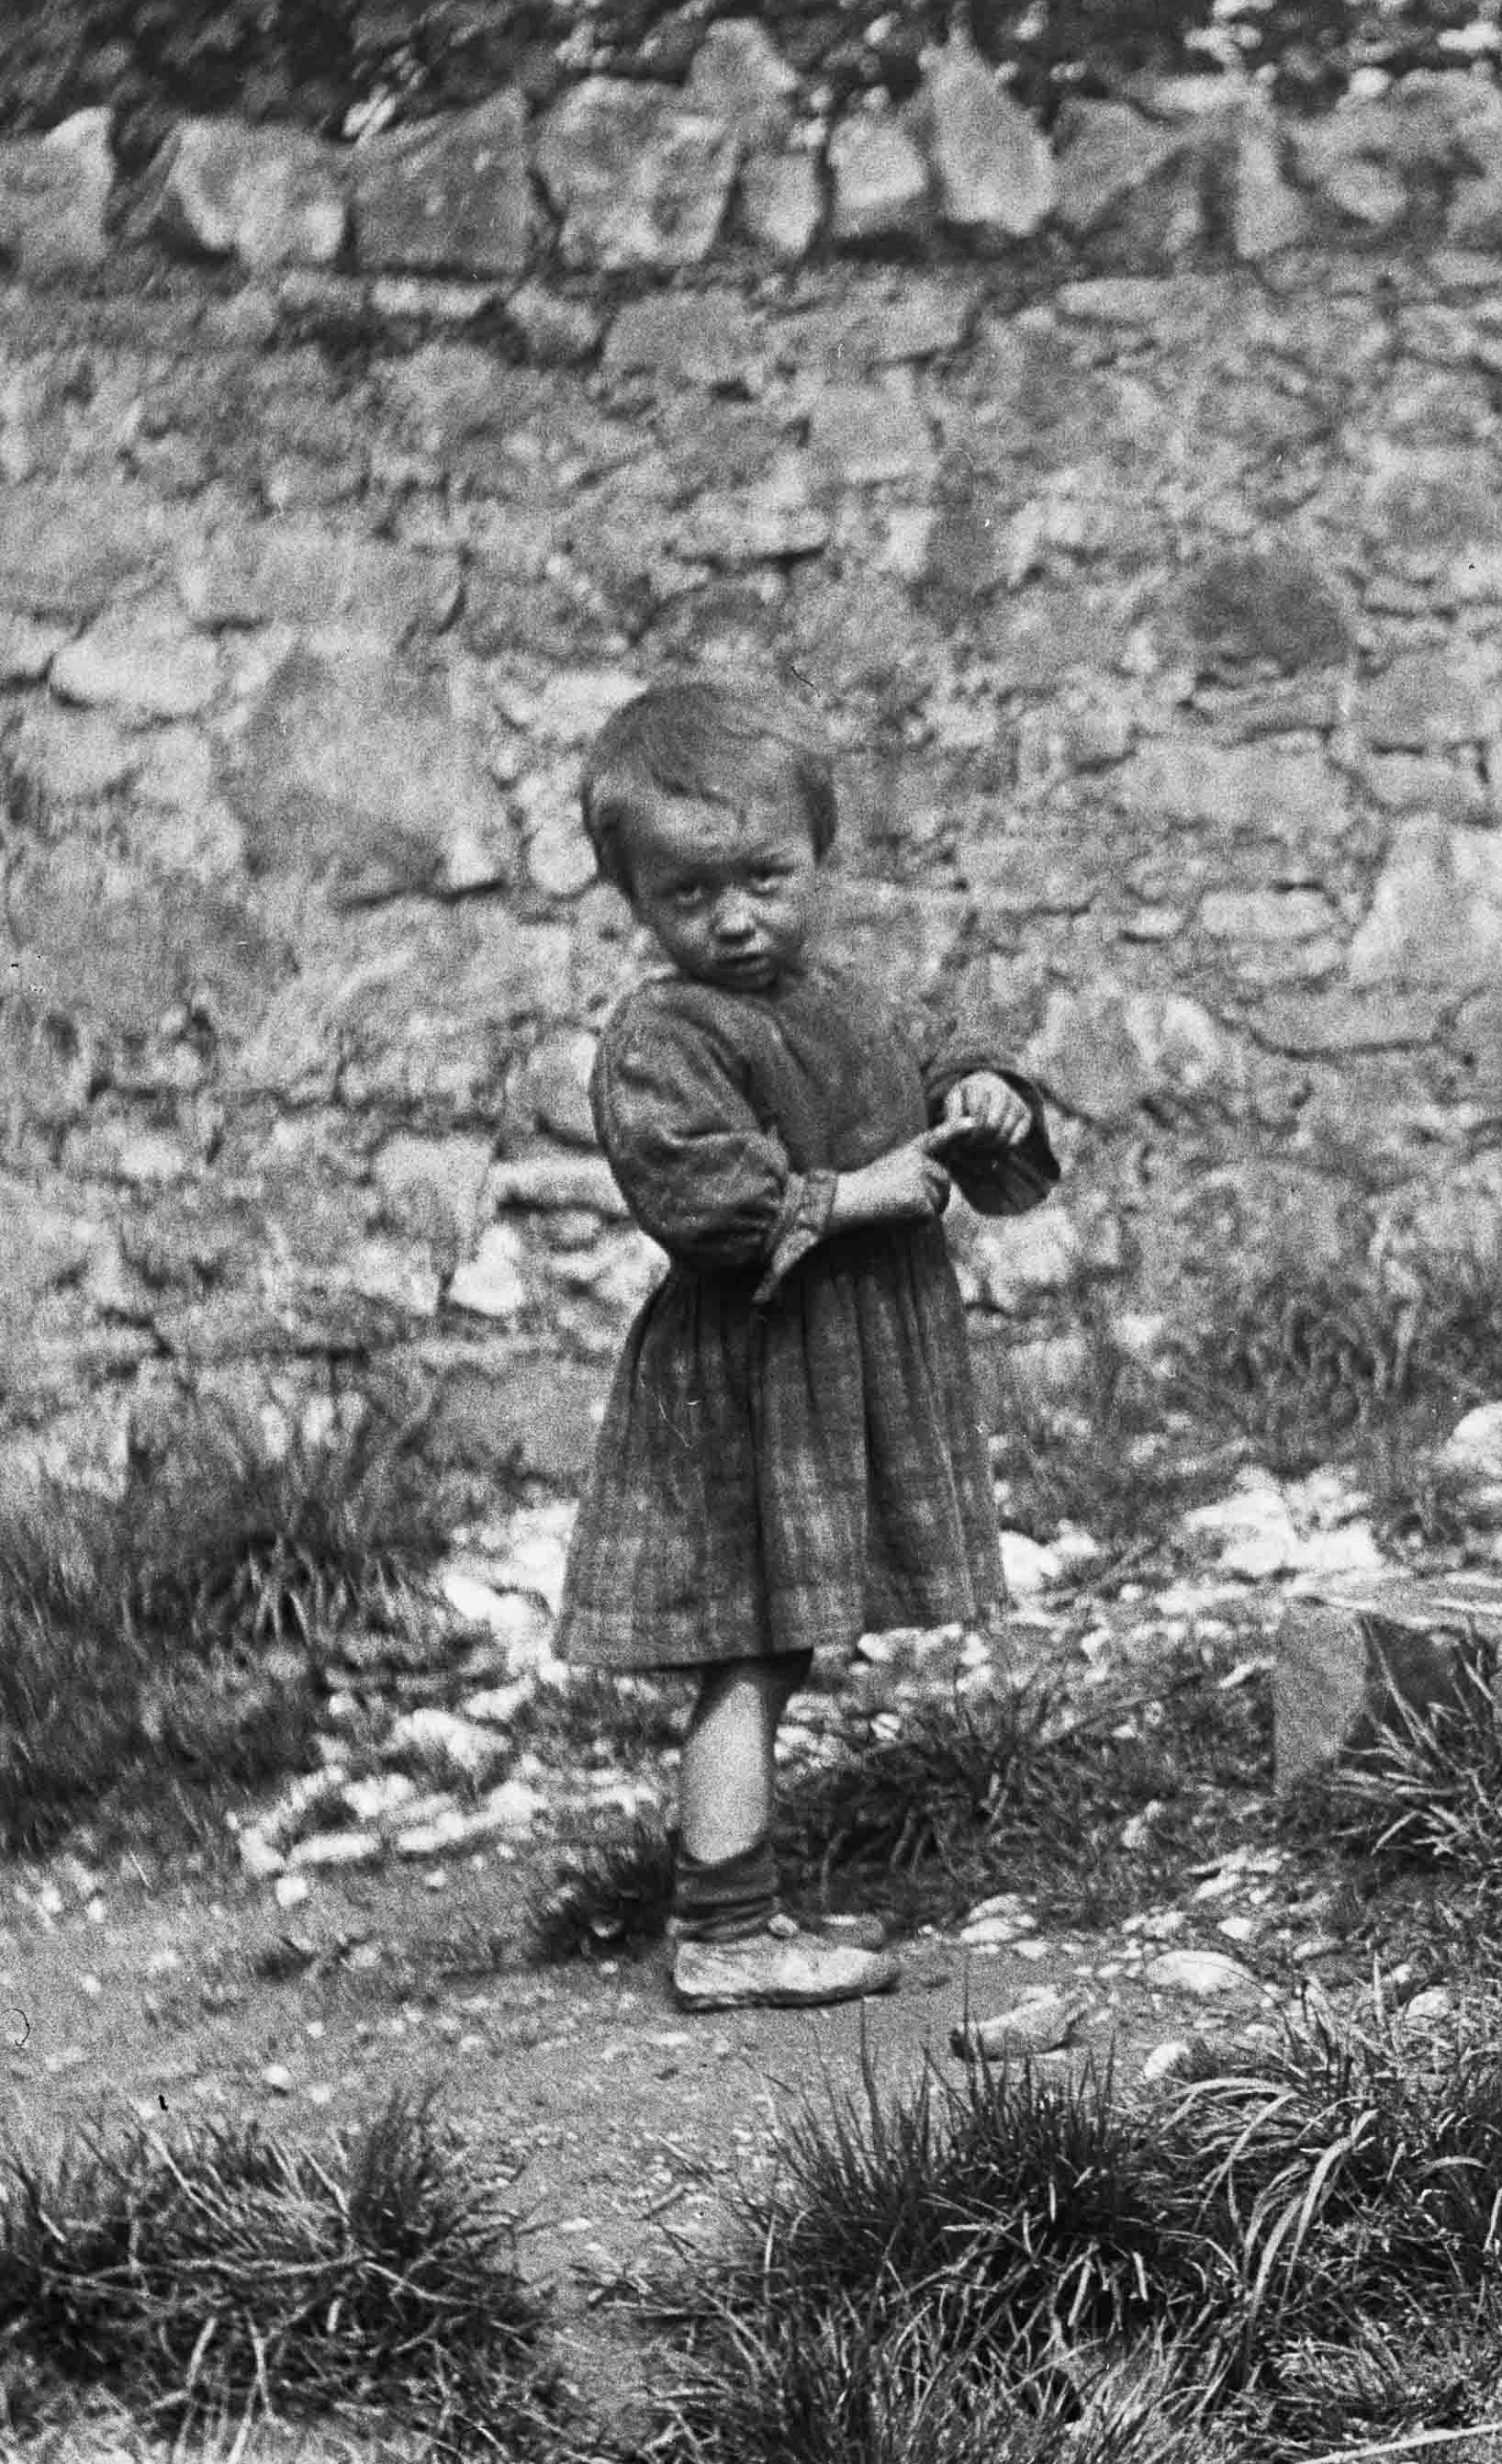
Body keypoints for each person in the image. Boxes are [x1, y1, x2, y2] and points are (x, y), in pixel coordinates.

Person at [551, 676, 1064, 2010]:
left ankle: (735, 1900)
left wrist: (982, 1089)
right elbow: (697, 1187)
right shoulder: (663, 1034)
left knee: (775, 1647)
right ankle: (722, 1929)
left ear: (817, 856)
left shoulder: (840, 999)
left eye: (765, 877)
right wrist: (850, 1195)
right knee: (750, 1644)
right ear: (636, 901)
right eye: (687, 895)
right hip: (747, 1383)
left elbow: (924, 1056)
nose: (732, 918)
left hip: (827, 1375)